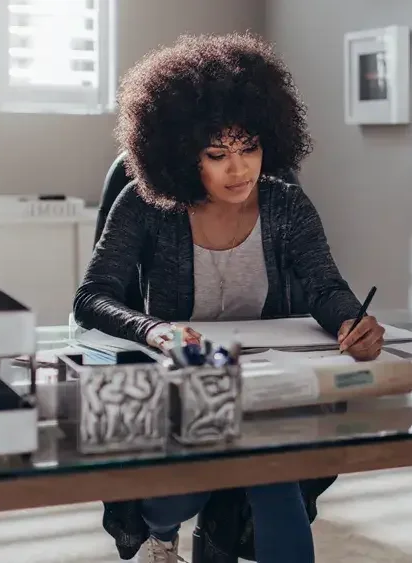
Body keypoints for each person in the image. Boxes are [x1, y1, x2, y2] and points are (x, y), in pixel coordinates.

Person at [73, 32, 385, 563]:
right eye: (217, 154)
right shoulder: (146, 204)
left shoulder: (285, 204)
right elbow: (93, 296)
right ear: (180, 153)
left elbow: (325, 287)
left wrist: (352, 323)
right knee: (183, 494)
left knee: (275, 477)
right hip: (181, 381)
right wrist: (154, 329)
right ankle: (163, 534)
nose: (239, 169)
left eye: (250, 149)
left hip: (261, 381)